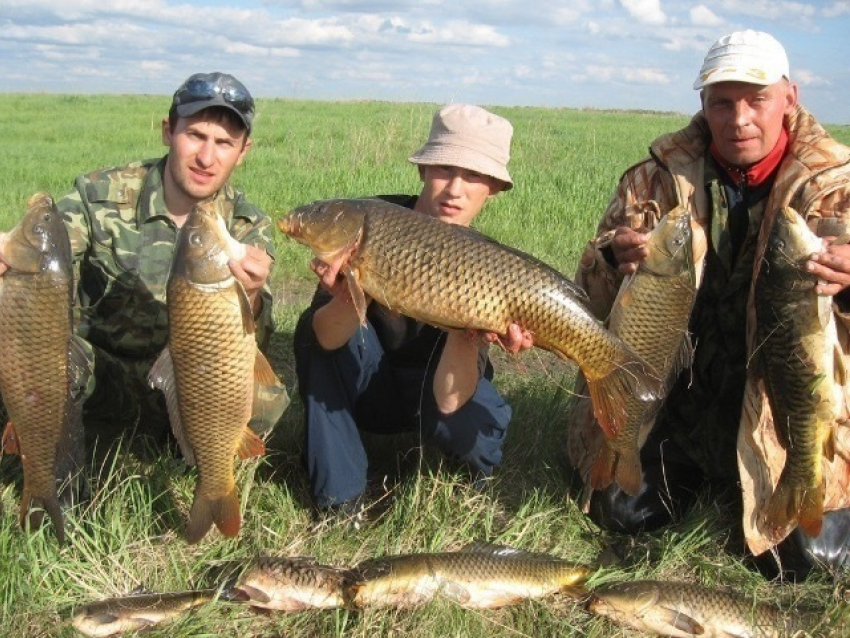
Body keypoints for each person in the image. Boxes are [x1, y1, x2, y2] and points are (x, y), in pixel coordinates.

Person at [566, 30, 850, 580]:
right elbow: (590, 304)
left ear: (789, 98)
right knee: (620, 511)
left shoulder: (839, 186)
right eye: (723, 101)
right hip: (675, 399)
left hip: (784, 407)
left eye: (756, 99)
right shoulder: (653, 180)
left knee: (815, 562)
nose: (739, 117)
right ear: (703, 104)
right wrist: (610, 260)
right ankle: (690, 465)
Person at [1, 72, 289, 459]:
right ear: (168, 131)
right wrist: (10, 256)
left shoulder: (245, 225)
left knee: (266, 400)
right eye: (195, 136)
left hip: (194, 384)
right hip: (105, 376)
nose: (207, 157)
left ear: (243, 150)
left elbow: (254, 341)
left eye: (224, 143)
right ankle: (51, 483)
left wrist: (251, 293)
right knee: (47, 360)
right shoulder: (99, 195)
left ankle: (199, 458)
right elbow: (42, 258)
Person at [293, 103, 531, 525]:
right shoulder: (364, 222)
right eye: (443, 169)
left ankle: (462, 481)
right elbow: (326, 341)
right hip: (371, 384)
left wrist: (467, 332)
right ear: (422, 170)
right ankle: (340, 501)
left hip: (437, 395)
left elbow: (450, 400)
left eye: (473, 176)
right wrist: (349, 294)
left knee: (473, 424)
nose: (454, 189)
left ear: (493, 187)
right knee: (312, 331)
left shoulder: (492, 267)